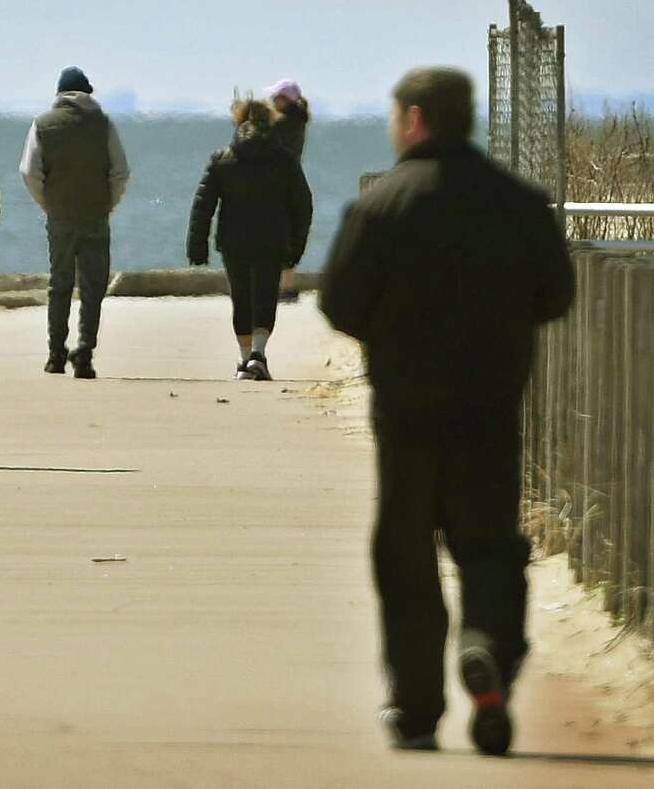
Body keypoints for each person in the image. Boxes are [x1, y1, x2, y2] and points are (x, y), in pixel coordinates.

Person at [320, 67, 574, 755]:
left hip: (405, 413)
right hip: (490, 410)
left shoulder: (382, 205)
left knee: (404, 556)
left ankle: (416, 709)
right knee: (490, 546)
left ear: (415, 120)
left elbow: (339, 304)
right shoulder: (519, 204)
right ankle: (487, 649)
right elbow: (556, 295)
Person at [186, 95, 312, 380]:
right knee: (265, 298)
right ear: (271, 122)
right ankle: (259, 354)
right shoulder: (285, 160)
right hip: (272, 239)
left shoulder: (222, 159)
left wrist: (197, 244)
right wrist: (297, 246)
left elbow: (203, 204)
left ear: (238, 122)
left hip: (233, 240)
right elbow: (302, 205)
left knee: (241, 299)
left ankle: (244, 361)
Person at [19, 66, 130, 379]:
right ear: (88, 93)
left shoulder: (42, 124)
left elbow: (29, 172)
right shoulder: (103, 124)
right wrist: (108, 202)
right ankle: (85, 351)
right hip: (96, 214)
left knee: (60, 284)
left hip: (60, 217)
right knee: (93, 286)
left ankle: (56, 354)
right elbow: (120, 171)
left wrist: (48, 203)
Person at [266, 78, 311, 303]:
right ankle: (286, 286)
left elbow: (262, 138)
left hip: (280, 184)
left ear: (286, 100)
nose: (272, 101)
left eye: (276, 97)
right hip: (289, 182)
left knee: (278, 235)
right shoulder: (296, 120)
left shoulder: (285, 123)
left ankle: (285, 287)